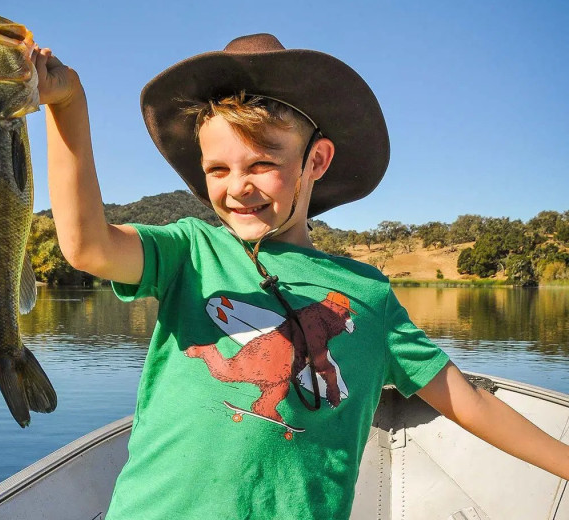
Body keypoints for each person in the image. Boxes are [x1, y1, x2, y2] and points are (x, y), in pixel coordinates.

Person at [33, 34, 569, 519]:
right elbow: (85, 245)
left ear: (316, 160)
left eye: (262, 163)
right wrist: (67, 105)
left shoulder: (369, 295)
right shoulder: (188, 251)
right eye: (218, 170)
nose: (236, 186)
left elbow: (468, 402)